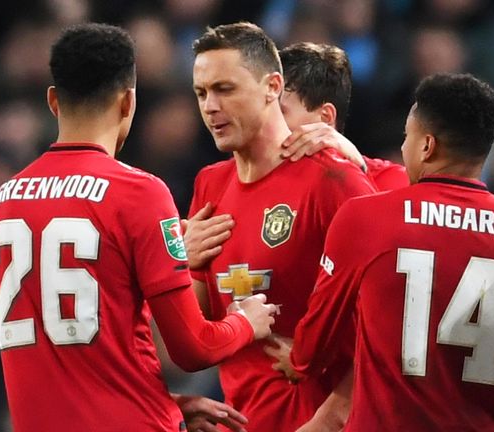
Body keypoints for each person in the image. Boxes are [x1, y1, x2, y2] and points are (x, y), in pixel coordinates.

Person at [0, 23, 276, 432]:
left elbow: (58, 347)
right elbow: (193, 349)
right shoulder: (139, 192)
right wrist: (246, 321)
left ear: (53, 101)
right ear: (127, 101)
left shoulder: (1, 202)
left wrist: (160, 398)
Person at [284, 73, 494, 431]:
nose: (405, 147)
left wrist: (296, 358)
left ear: (427, 146)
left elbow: (313, 350)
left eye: (406, 137)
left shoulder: (365, 218)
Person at [188, 22, 376, 431]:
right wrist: (180, 265)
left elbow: (391, 318)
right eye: (202, 93)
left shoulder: (334, 182)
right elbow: (194, 336)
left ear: (273, 87)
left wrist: (331, 418)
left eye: (225, 89)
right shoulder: (209, 183)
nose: (210, 106)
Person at [277, 42, 408, 192]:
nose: (267, 121)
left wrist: (357, 171)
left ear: (325, 118)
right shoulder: (248, 177)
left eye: (280, 111)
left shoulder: (395, 183)